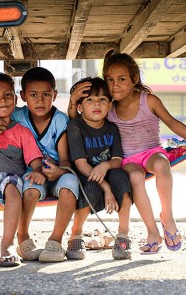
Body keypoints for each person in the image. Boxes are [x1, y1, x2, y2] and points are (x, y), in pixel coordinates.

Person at [69, 52, 186, 254]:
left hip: (151, 152)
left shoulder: (149, 101)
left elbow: (171, 121)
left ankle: (167, 216)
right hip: (127, 160)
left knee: (162, 165)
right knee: (136, 177)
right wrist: (73, 100)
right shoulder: (107, 106)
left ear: (134, 79)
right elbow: (80, 120)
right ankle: (152, 231)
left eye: (122, 79)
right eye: (110, 80)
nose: (115, 85)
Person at [0, 67, 80, 263]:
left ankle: (55, 240)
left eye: (46, 94)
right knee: (30, 189)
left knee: (70, 182)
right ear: (22, 96)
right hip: (31, 173)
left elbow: (65, 159)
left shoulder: (60, 120)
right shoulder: (17, 115)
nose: (40, 100)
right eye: (33, 95)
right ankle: (23, 237)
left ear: (54, 95)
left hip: (57, 173)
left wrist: (59, 171)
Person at [66, 77, 133, 260]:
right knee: (91, 187)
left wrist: (105, 165)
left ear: (110, 105)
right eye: (90, 100)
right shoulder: (75, 126)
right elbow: (81, 164)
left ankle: (123, 236)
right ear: (80, 107)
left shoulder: (112, 128)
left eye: (102, 99)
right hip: (86, 175)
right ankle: (76, 234)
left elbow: (117, 160)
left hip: (108, 172)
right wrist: (106, 187)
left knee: (123, 179)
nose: (97, 104)